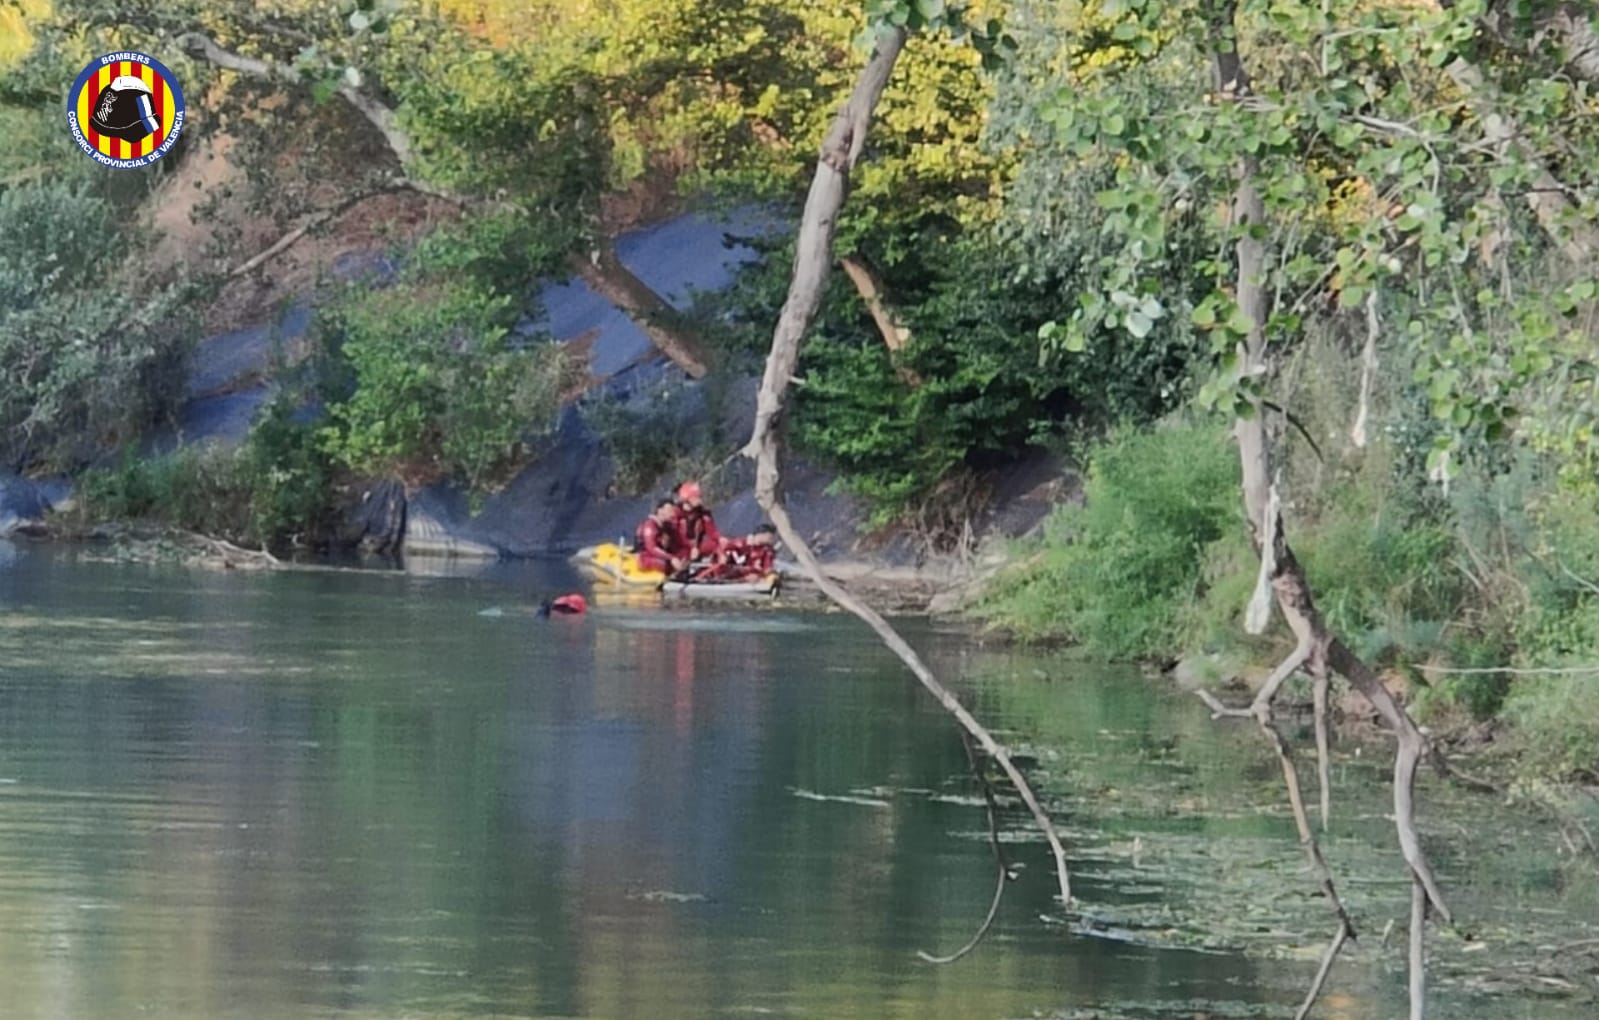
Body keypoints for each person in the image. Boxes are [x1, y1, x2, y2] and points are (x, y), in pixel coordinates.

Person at [695, 524, 778, 583]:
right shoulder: (739, 544)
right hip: (729, 572)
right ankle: (700, 578)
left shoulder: (767, 551)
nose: (772, 541)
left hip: (750, 576)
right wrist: (722, 555)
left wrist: (767, 575)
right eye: (769, 538)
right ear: (761, 535)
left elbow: (767, 567)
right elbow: (722, 550)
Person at [634, 499, 688, 575]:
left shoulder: (667, 526)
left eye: (672, 511)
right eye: (669, 510)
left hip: (660, 556)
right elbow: (652, 548)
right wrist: (671, 558)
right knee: (664, 564)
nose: (672, 514)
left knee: (683, 554)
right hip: (645, 557)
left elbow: (680, 542)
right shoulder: (650, 525)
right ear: (660, 511)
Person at [672, 480, 723, 560]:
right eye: (696, 497)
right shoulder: (675, 514)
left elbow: (713, 533)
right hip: (679, 551)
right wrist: (690, 548)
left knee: (717, 545)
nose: (700, 499)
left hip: (696, 549)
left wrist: (721, 540)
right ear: (687, 498)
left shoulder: (703, 514)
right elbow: (675, 537)